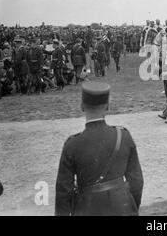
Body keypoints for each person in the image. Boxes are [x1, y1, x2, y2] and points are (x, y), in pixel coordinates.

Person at [55, 82, 144, 216]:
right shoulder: (123, 136)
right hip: (122, 207)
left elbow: (63, 192)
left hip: (86, 209)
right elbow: (137, 182)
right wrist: (131, 207)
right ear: (107, 106)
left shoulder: (72, 144)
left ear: (82, 106)